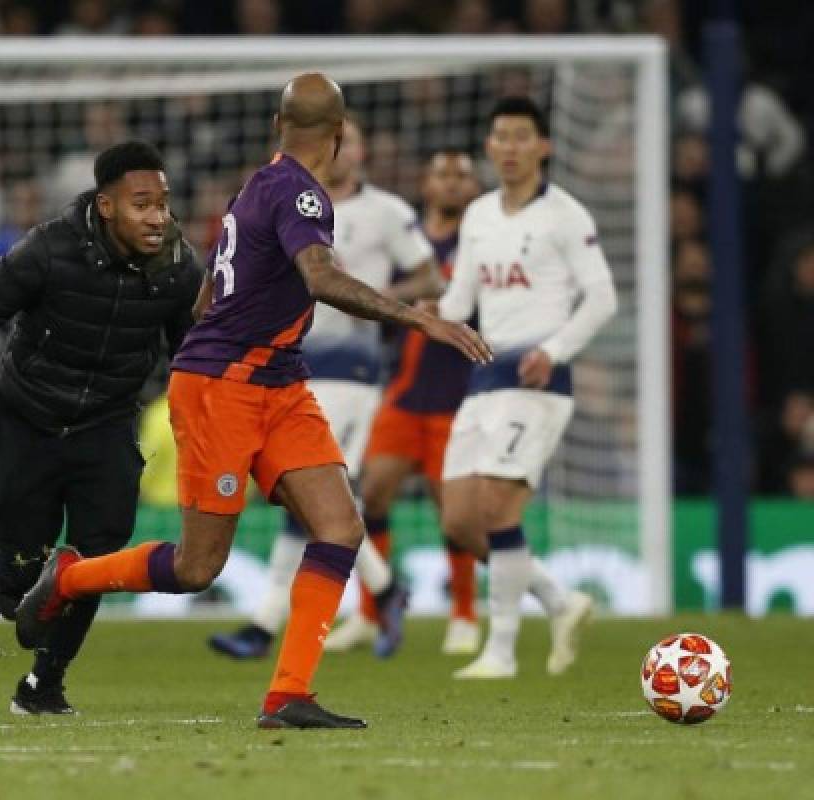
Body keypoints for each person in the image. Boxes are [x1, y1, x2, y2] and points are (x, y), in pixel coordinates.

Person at [12, 73, 491, 729]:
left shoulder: (254, 188)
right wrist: (420, 319)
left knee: (340, 527)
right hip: (228, 387)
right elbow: (318, 278)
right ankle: (67, 578)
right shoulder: (302, 194)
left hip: (278, 383)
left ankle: (287, 695)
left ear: (277, 124)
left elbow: (211, 290)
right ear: (341, 133)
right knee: (197, 564)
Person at [0, 140, 204, 715]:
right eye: (143, 204)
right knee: (19, 598)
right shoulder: (47, 250)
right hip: (27, 422)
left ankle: (44, 686)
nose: (158, 217)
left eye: (163, 203)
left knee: (97, 562)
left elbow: (191, 357)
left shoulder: (182, 269)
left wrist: (203, 428)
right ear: (107, 207)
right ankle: (36, 584)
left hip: (107, 425)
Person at [207, 116, 441, 662]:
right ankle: (383, 590)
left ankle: (266, 627)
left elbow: (431, 279)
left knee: (304, 490)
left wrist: (378, 294)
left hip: (352, 369)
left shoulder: (386, 212)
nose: (339, 149)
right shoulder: (288, 200)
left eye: (351, 140)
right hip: (292, 363)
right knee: (312, 498)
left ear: (358, 152)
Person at [436, 97, 617, 679]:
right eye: (500, 137)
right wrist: (417, 312)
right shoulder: (478, 216)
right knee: (460, 522)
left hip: (538, 381)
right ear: (489, 148)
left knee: (495, 504)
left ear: (544, 146)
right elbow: (461, 303)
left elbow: (604, 298)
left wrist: (555, 350)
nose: (509, 148)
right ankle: (561, 601)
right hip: (484, 379)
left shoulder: (566, 215)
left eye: (521, 137)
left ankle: (502, 650)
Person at [332, 149, 483, 657]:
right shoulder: (411, 242)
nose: (452, 182)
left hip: (455, 398)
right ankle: (370, 614)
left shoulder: (483, 244)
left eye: (461, 174)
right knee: (369, 497)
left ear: (474, 187)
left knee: (453, 515)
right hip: (402, 394)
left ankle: (464, 615)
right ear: (427, 183)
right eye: (442, 172)